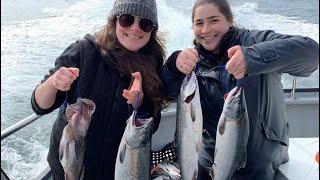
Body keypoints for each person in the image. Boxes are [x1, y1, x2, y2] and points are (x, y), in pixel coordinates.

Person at [160, 0, 319, 179]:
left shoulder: (255, 42)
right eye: (199, 23)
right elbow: (165, 94)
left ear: (230, 20)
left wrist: (253, 58)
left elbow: (312, 54)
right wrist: (173, 67)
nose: (205, 30)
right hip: (209, 162)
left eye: (214, 20)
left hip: (260, 164)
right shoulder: (192, 63)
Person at [31, 0, 167, 179]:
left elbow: (153, 123)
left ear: (152, 30)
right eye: (127, 19)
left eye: (145, 23)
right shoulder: (84, 52)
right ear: (114, 21)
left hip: (118, 171)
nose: (135, 28)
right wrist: (53, 83)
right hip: (68, 170)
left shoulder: (153, 64)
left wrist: (139, 105)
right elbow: (40, 105)